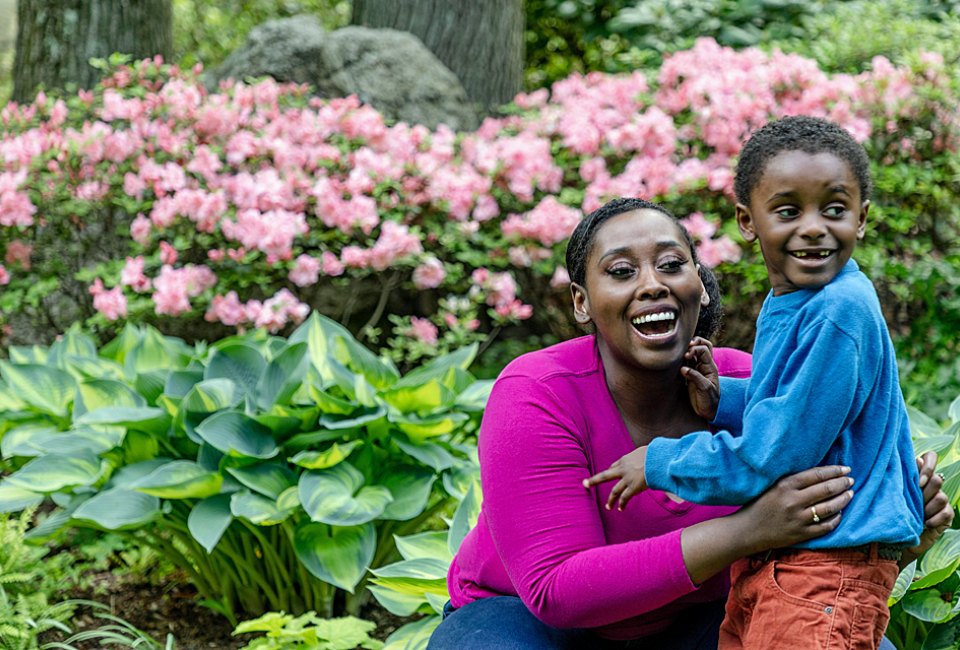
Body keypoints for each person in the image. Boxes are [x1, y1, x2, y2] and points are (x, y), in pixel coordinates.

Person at [428, 196, 952, 649]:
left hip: (695, 621)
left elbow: (821, 568)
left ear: (700, 287)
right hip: (525, 624)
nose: (652, 284)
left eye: (672, 264)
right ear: (582, 303)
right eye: (621, 271)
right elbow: (557, 590)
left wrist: (899, 532)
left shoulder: (760, 391)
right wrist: (747, 530)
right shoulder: (539, 394)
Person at [583, 118, 943, 649]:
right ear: (748, 221)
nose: (815, 227)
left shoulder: (837, 309)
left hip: (825, 570)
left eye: (835, 209)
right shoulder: (799, 299)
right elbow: (809, 405)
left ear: (862, 219)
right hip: (792, 562)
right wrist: (724, 398)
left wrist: (660, 461)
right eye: (789, 211)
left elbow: (776, 454)